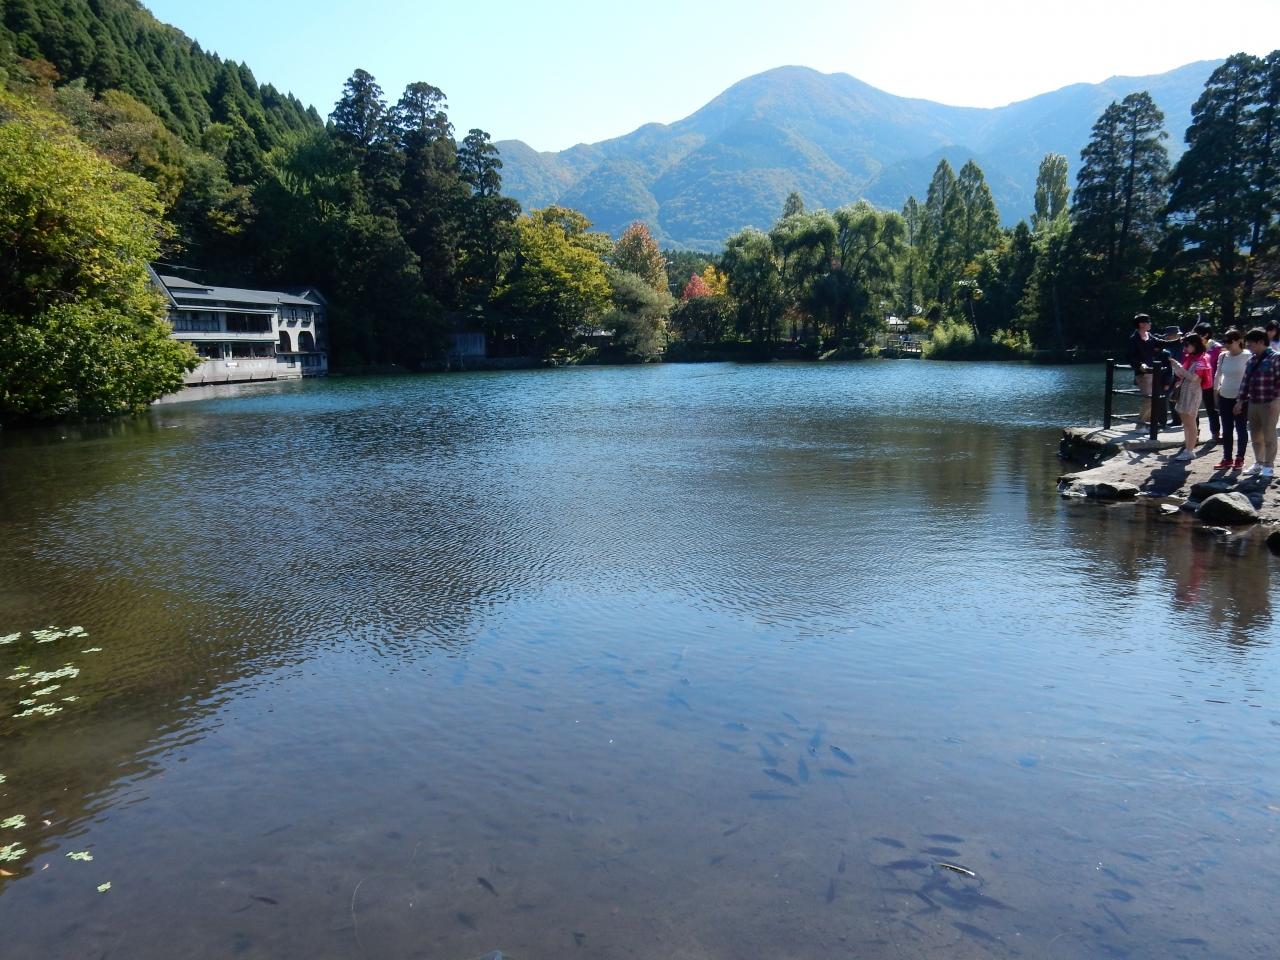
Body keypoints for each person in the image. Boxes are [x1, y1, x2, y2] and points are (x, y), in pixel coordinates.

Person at [1235, 328, 1280, 478]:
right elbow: (1245, 382)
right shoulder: (1252, 360)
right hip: (1253, 402)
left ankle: (1268, 466)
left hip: (1270, 402)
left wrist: (1275, 401)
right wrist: (1240, 401)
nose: (1248, 347)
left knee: (1269, 435)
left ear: (1260, 342)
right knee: (1255, 436)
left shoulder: (1276, 358)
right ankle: (1258, 463)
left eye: (1250, 343)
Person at [1165, 334, 1212, 461]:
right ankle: (1187, 448)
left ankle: (1190, 450)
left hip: (1193, 393)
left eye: (1187, 345)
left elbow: (1193, 378)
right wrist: (1175, 366)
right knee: (1186, 423)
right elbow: (1183, 375)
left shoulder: (1202, 360)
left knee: (1190, 422)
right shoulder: (1190, 358)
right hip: (1185, 392)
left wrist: (1179, 367)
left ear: (1195, 344)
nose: (1185, 348)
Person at [1126, 314, 1179, 425]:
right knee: (1148, 399)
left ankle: (1148, 423)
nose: (1150, 324)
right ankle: (1141, 424)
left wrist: (1180, 340)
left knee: (1153, 399)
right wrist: (1140, 365)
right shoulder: (1133, 339)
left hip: (1153, 373)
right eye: (1148, 322)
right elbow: (1130, 357)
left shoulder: (1150, 336)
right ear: (1141, 324)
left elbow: (1165, 343)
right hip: (1142, 373)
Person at [1213, 329, 1250, 471]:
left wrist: (1243, 398)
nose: (1226, 344)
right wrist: (1215, 393)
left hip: (1242, 397)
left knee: (1241, 428)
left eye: (1229, 341)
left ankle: (1240, 458)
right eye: (1225, 342)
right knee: (1227, 429)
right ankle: (1227, 458)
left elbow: (1249, 377)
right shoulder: (1223, 356)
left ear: (1238, 341)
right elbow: (1218, 375)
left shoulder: (1248, 355)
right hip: (1225, 395)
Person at [1194, 321, 1223, 444]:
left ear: (1205, 334)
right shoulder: (1194, 346)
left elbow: (1219, 366)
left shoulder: (1216, 348)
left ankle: (1215, 433)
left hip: (1210, 382)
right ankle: (1194, 434)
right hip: (1195, 381)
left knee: (1212, 409)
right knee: (1193, 409)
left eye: (1198, 333)